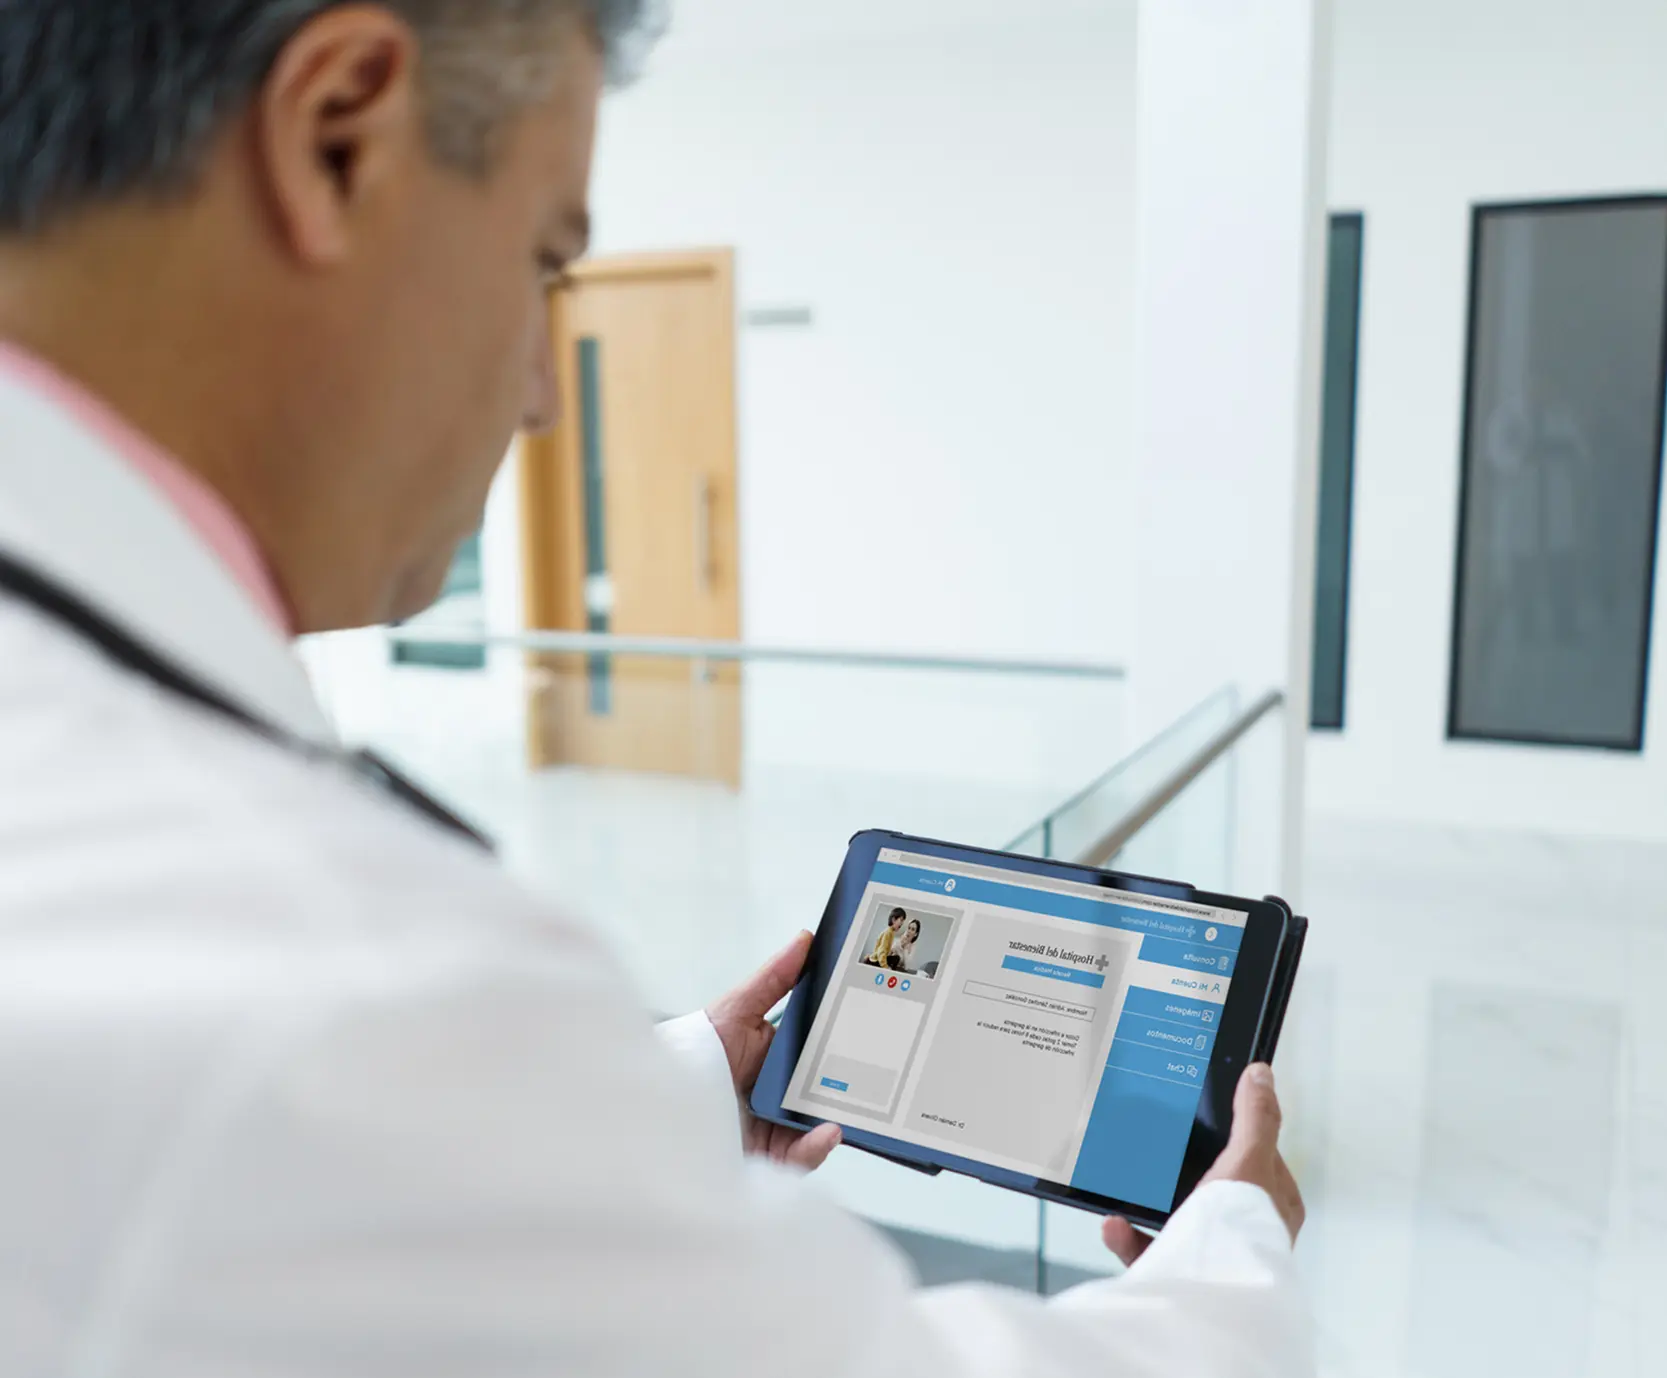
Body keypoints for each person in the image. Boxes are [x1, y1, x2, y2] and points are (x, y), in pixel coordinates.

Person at [0, 4, 1310, 1375]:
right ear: (338, 137)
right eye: (542, 259)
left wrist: (660, 1091)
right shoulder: (332, 967)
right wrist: (1229, 1254)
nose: (538, 399)